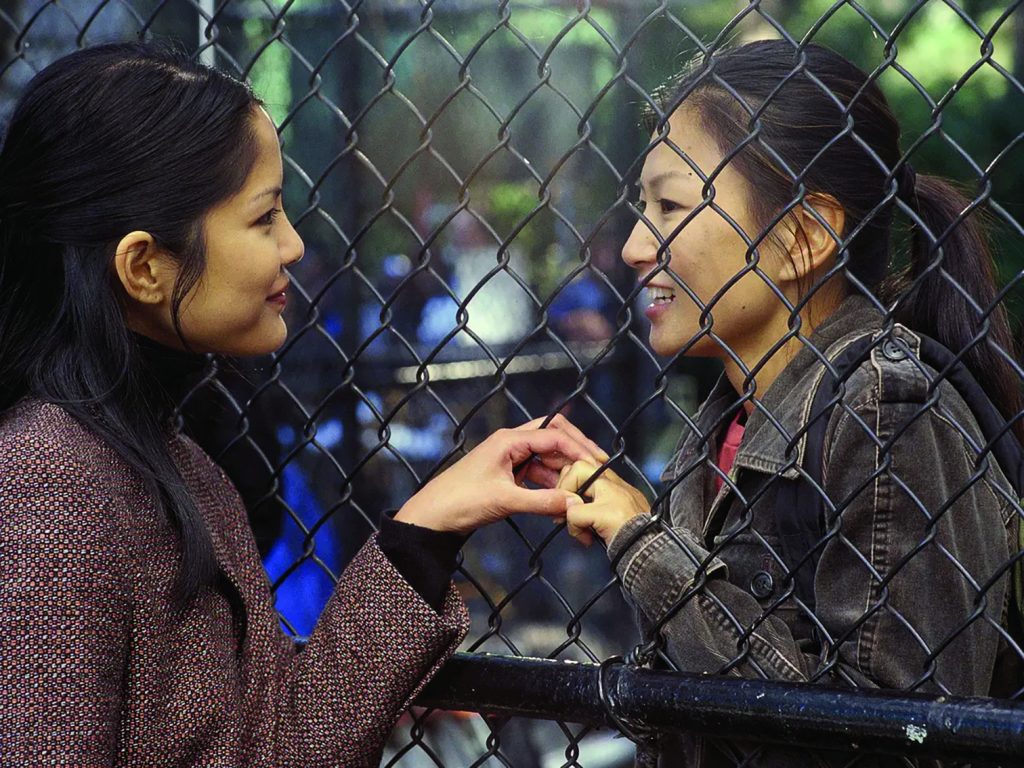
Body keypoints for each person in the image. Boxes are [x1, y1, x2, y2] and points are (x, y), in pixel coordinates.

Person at [0, 42, 603, 767]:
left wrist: (429, 528)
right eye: (263, 219)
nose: (293, 244)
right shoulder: (45, 482)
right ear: (143, 266)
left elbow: (279, 750)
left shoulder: (174, 459)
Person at [555, 40, 1022, 764]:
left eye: (674, 205)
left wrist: (645, 545)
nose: (634, 247)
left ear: (804, 237)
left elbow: (883, 740)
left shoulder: (883, 408)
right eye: (640, 207)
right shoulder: (721, 423)